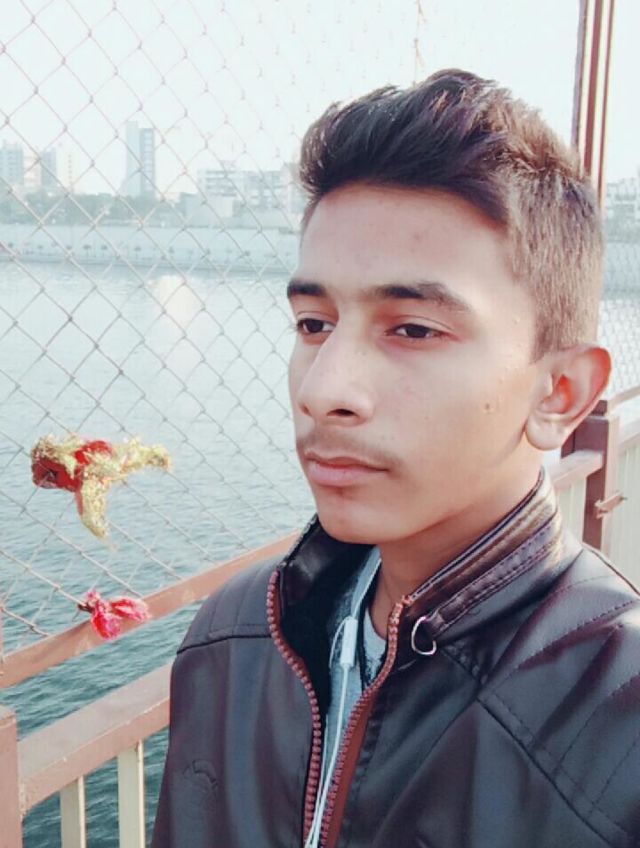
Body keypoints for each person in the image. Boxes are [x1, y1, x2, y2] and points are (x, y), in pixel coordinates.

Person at [151, 70, 640, 848]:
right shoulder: (235, 634)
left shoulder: (618, 721)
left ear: (559, 392)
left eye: (413, 330)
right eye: (313, 324)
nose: (324, 390)